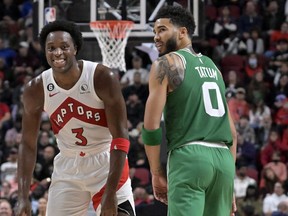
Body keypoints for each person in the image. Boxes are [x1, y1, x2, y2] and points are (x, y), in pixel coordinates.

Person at [16, 20, 135, 216]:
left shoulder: (101, 77)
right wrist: (22, 196)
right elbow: (27, 144)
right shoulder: (35, 89)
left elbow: (121, 137)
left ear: (75, 48)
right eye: (51, 48)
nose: (57, 53)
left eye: (64, 47)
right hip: (68, 165)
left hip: (105, 161)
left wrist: (111, 192)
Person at [142, 5, 237, 216]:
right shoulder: (214, 68)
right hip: (223, 160)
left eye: (162, 30)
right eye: (155, 32)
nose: (156, 37)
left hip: (190, 157)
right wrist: (229, 180)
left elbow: (151, 127)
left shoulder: (166, 64)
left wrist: (156, 172)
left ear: (183, 32)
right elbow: (232, 133)